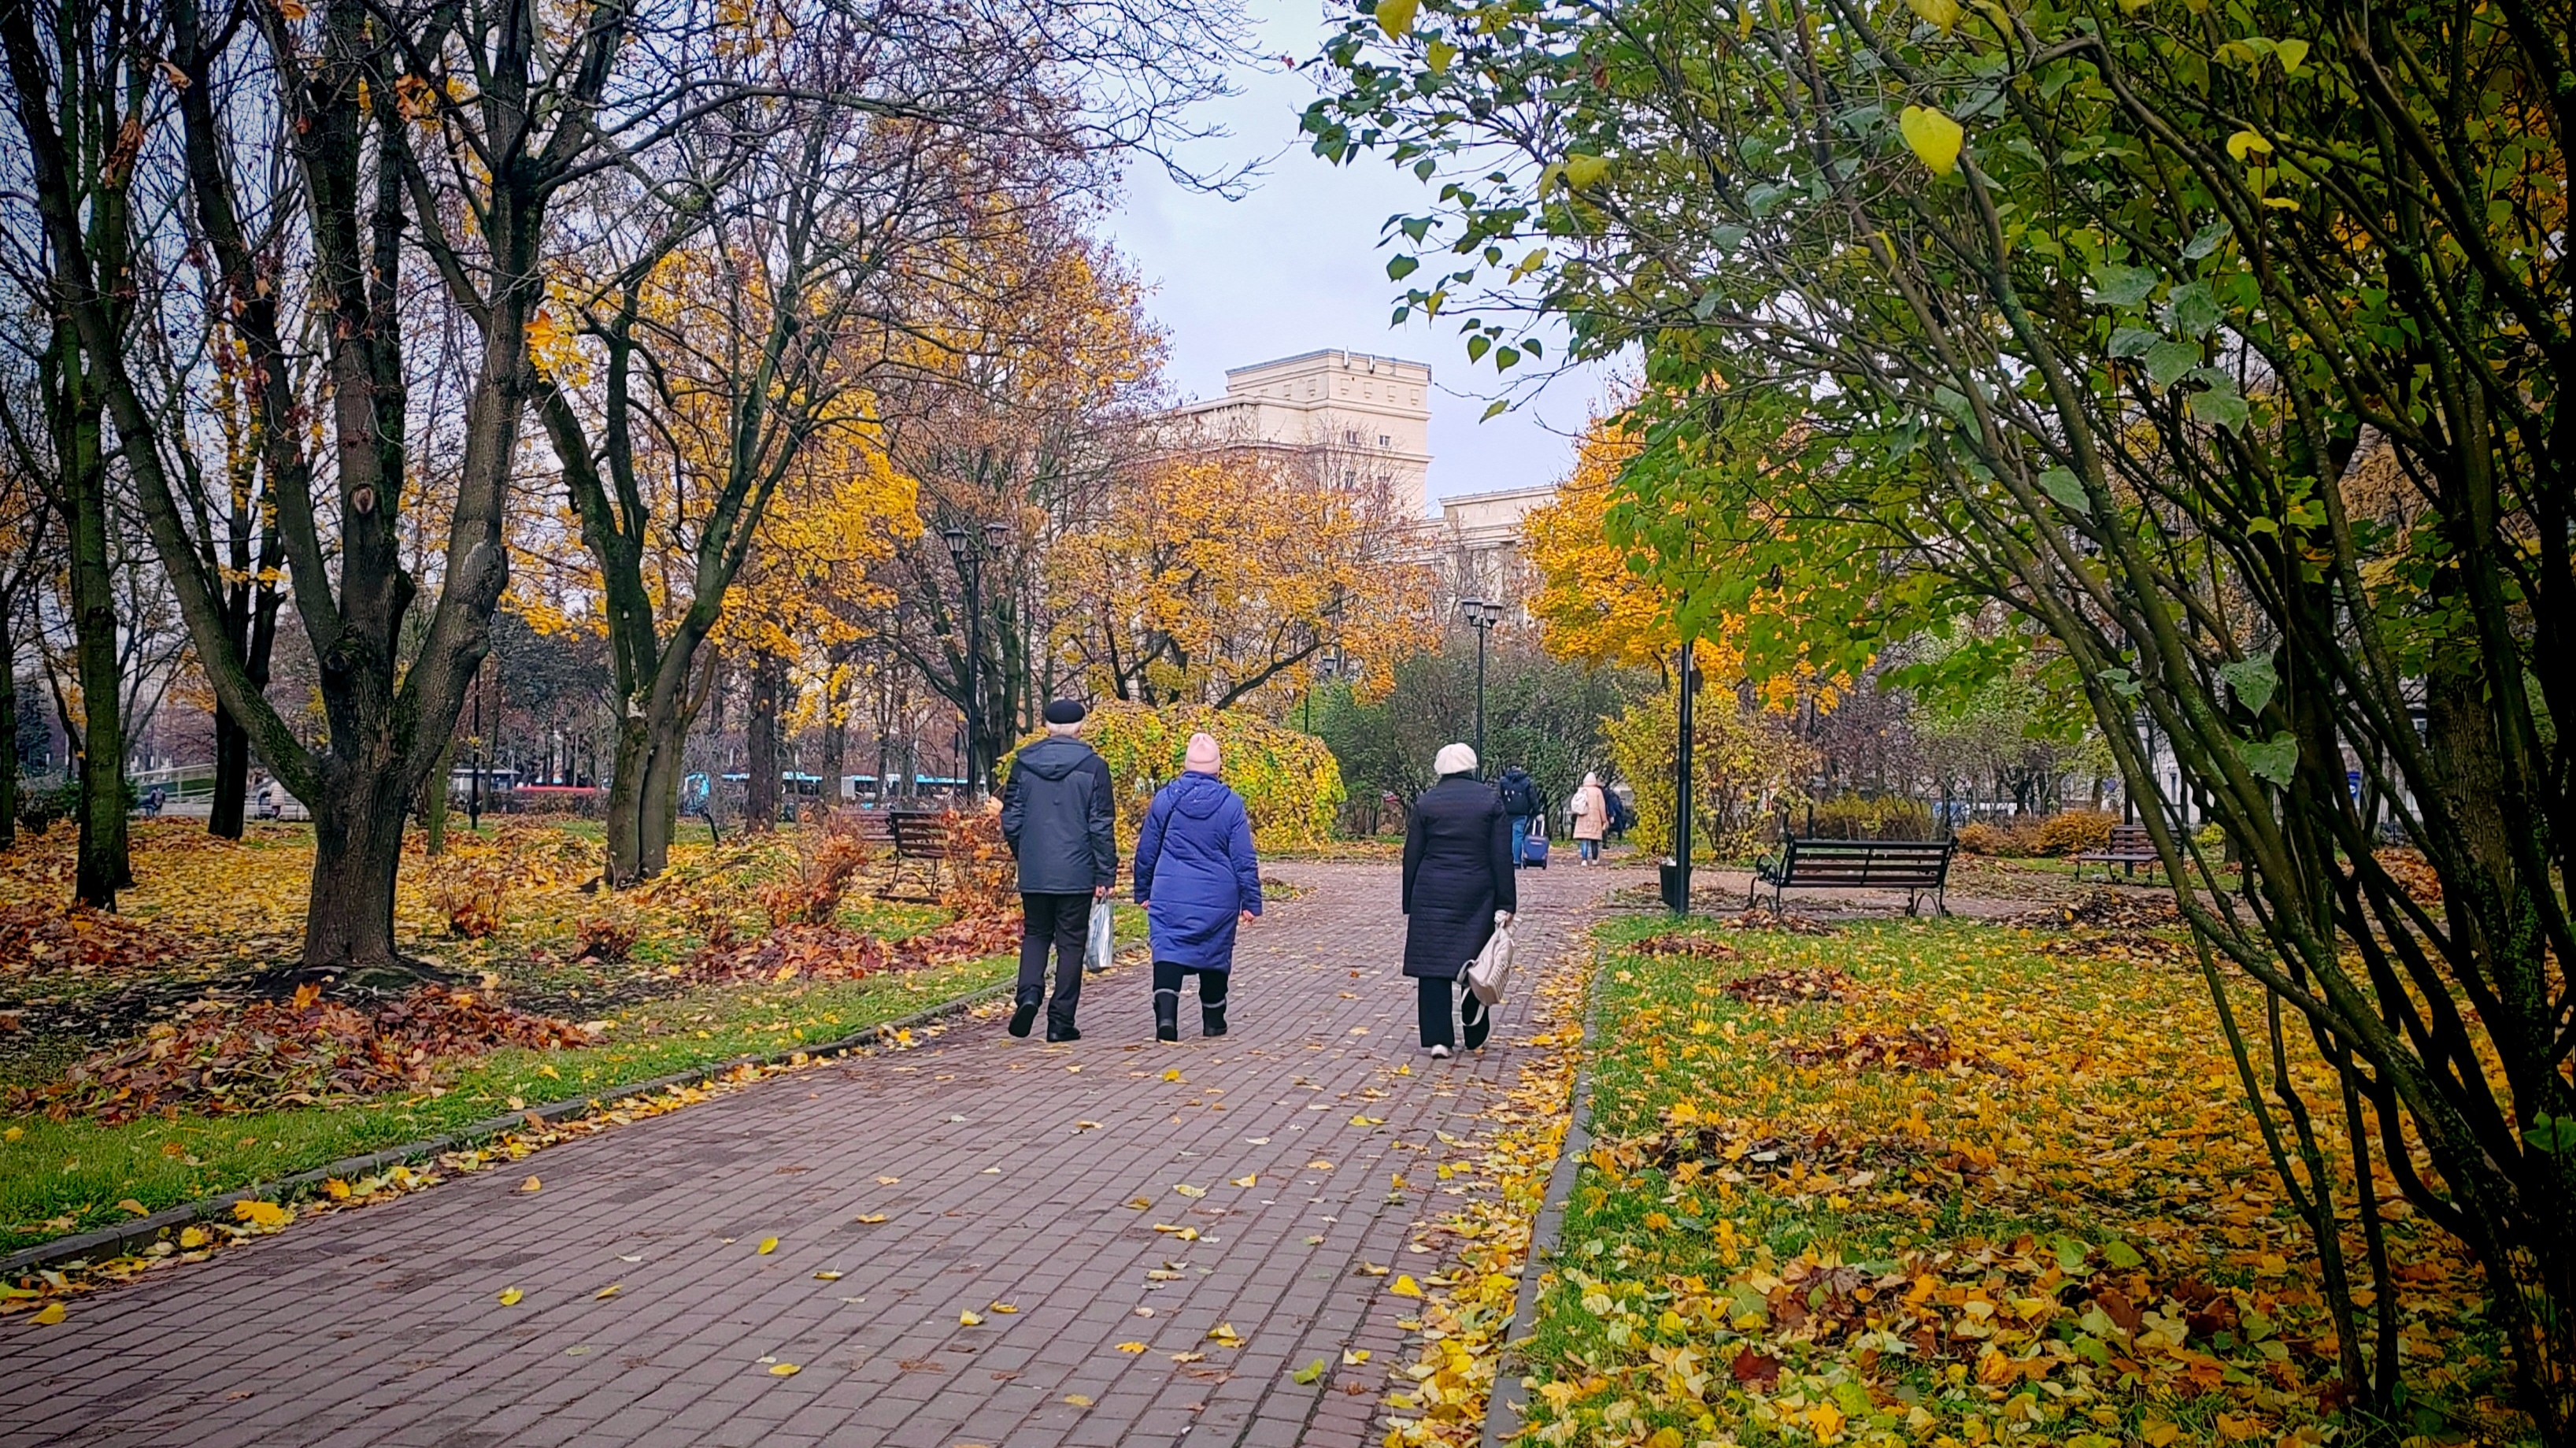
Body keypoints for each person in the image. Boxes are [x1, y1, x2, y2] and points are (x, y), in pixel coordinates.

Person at [1131, 733, 1263, 1042]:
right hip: (1219, 895)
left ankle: (1166, 1018)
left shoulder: (1166, 798)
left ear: (1186, 766)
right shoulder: (1230, 803)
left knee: (1167, 949)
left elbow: (1147, 849)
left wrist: (1143, 891)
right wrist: (1251, 901)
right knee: (1215, 953)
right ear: (1218, 768)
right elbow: (1243, 856)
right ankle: (1214, 1020)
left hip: (1171, 892)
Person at [997, 699, 1116, 1042]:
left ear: (1046, 728)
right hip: (1077, 872)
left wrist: (1026, 855)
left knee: (1035, 934)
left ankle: (1029, 995)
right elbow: (1100, 825)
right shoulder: (1095, 767)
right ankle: (1060, 1022)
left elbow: (1012, 819)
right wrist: (1105, 874)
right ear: (1080, 728)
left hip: (1035, 869)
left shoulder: (1022, 766)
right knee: (1070, 944)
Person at [1402, 743, 1516, 1058]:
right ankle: (1475, 1032)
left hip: (1432, 890)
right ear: (1471, 766)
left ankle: (1439, 1039)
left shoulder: (1426, 802)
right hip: (1477, 890)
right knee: (1475, 961)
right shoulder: (1489, 801)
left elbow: (1411, 854)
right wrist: (1506, 902)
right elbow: (1501, 856)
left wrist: (1410, 899)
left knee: (1433, 965)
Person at [1497, 764, 1543, 868]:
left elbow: (1498, 797)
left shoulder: (1503, 781)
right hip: (1521, 813)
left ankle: (1505, 861)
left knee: (1506, 837)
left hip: (1506, 813)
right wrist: (1537, 812)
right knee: (1517, 836)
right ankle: (1516, 861)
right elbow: (1532, 798)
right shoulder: (1526, 781)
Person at [1569, 772, 1608, 865]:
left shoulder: (1581, 790)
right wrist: (1604, 820)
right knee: (1594, 840)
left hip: (1583, 817)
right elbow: (1602, 807)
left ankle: (1584, 859)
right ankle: (1594, 859)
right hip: (1595, 819)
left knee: (1584, 840)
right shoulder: (1598, 792)